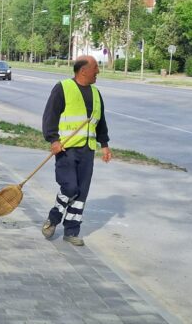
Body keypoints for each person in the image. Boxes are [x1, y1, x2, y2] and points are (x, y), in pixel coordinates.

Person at [40, 55, 112, 246]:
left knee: (81, 194)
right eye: (96, 67)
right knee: (70, 187)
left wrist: (104, 145)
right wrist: (53, 140)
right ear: (83, 70)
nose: (98, 71)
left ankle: (71, 231)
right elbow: (50, 116)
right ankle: (54, 218)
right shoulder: (63, 88)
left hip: (88, 150)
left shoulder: (96, 93)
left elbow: (101, 122)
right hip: (66, 149)